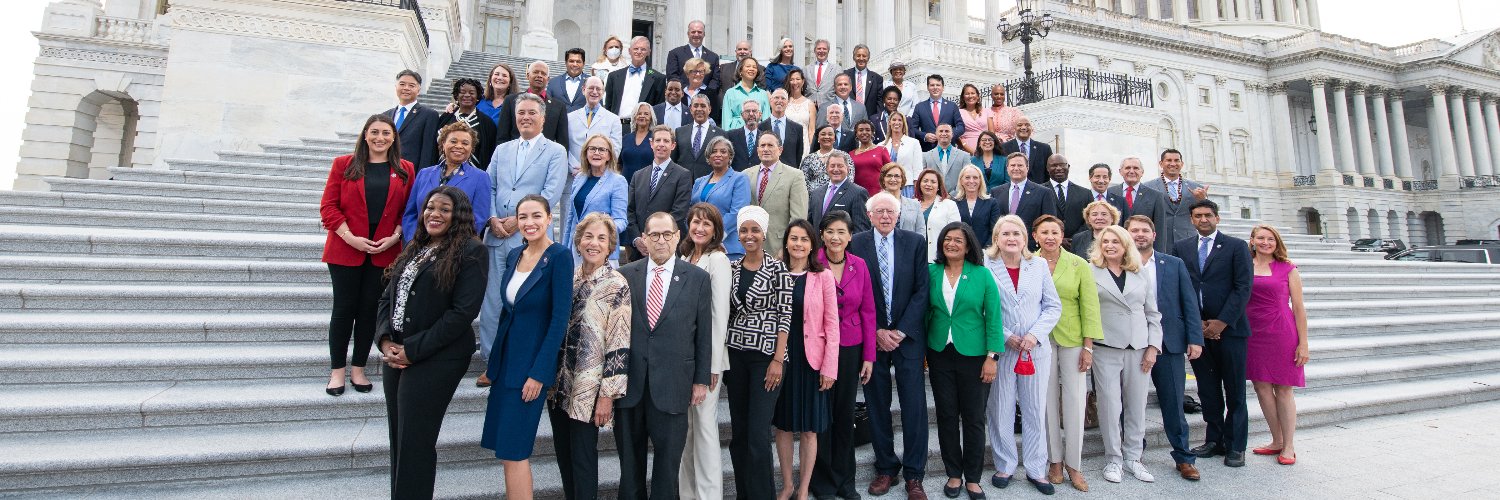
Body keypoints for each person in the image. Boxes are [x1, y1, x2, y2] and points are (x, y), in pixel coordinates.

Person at [376, 186, 488, 499]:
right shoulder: (417, 246)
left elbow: (461, 313)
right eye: (430, 208)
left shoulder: (471, 250)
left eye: (444, 209)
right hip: (396, 354)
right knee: (399, 439)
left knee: (416, 442)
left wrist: (412, 350)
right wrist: (385, 341)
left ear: (458, 215)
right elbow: (388, 296)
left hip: (437, 358)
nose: (434, 214)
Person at [478, 195, 573, 499]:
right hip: (506, 364)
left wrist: (540, 373)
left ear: (549, 219)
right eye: (522, 217)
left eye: (536, 216)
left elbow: (559, 319)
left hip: (530, 368)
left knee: (516, 449)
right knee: (506, 449)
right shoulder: (515, 254)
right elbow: (507, 311)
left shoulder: (559, 256)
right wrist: (494, 365)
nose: (529, 223)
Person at [615, 212, 715, 500]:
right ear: (644, 239)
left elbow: (703, 334)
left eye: (667, 234)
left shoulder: (697, 278)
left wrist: (699, 380)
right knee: (630, 468)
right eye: (654, 235)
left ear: (677, 237)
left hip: (673, 385)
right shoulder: (625, 275)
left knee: (667, 469)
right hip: (630, 387)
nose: (661, 240)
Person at [320, 114, 415, 396]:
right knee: (343, 310)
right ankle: (337, 370)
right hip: (345, 250)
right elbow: (329, 207)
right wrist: (351, 238)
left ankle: (358, 368)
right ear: (365, 135)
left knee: (369, 313)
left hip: (384, 252)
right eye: (374, 132)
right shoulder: (344, 165)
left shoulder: (405, 169)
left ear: (394, 138)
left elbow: (407, 211)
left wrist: (395, 237)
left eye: (386, 133)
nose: (380, 138)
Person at [478, 94, 570, 387]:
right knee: (493, 301)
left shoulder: (555, 151)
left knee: (529, 302)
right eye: (521, 113)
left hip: (531, 239)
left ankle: (523, 362)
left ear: (543, 118)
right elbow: (488, 186)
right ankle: (492, 363)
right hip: (497, 235)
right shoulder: (502, 149)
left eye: (532, 112)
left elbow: (551, 192)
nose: (526, 117)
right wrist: (493, 218)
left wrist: (519, 221)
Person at [848, 192, 932, 499]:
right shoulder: (855, 243)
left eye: (890, 212)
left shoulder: (915, 242)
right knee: (876, 403)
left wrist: (900, 331)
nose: (885, 216)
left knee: (913, 406)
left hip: (907, 338)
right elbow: (853, 291)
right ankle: (885, 468)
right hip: (872, 339)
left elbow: (923, 289)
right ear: (869, 216)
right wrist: (878, 332)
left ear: (898, 216)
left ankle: (914, 474)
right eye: (879, 211)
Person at [548, 213, 631, 500]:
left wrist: (607, 395)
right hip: (559, 384)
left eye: (601, 238)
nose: (593, 243)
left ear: (610, 247)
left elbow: (619, 343)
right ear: (578, 241)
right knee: (564, 457)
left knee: (583, 460)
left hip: (589, 388)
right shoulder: (567, 278)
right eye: (588, 236)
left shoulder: (616, 284)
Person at [983, 214, 1061, 496]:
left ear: (1025, 239)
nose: (1011, 239)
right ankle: (1004, 464)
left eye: (1017, 234)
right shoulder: (986, 265)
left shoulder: (1037, 265)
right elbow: (982, 308)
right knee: (1000, 408)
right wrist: (1006, 336)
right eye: (1005, 234)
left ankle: (1036, 469)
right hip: (1001, 350)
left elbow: (1052, 306)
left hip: (1034, 350)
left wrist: (1033, 335)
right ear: (996, 239)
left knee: (1034, 409)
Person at [1174, 200, 1254, 468]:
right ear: (1191, 219)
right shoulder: (1182, 248)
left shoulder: (1236, 246)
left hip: (1230, 331)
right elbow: (1181, 288)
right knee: (1208, 390)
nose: (1203, 219)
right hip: (1199, 332)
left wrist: (1221, 323)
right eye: (1198, 216)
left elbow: (1243, 287)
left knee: (1234, 390)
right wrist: (1198, 324)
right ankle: (1214, 439)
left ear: (1217, 218)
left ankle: (1236, 445)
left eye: (1208, 215)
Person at [928, 221, 1003, 500]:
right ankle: (953, 474)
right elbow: (926, 312)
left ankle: (973, 477)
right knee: (947, 415)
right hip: (939, 354)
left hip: (974, 355)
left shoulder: (982, 275)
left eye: (958, 240)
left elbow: (994, 318)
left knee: (973, 418)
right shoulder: (931, 272)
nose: (952, 244)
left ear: (969, 245)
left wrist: (992, 356)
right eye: (947, 239)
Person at [1126, 215, 1204, 481]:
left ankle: (1183, 456)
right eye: (1134, 230)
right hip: (1132, 343)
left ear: (1154, 235)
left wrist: (1195, 338)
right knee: (1131, 402)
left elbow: (1189, 302)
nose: (1140, 235)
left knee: (1173, 402)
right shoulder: (1120, 265)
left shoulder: (1173, 264)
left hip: (1169, 343)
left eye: (1144, 230)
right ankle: (1134, 451)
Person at [725, 206, 794, 500]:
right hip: (736, 357)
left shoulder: (778, 268)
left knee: (757, 435)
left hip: (767, 358)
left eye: (754, 230)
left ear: (764, 234)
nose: (749, 235)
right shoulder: (732, 268)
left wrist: (778, 359)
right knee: (739, 435)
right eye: (744, 230)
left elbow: (785, 315)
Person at [1088, 224, 1164, 485]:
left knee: (1136, 405)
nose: (1110, 245)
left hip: (1139, 347)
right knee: (1110, 405)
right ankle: (1114, 458)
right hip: (1105, 347)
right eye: (1105, 241)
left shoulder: (1140, 273)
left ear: (1125, 246)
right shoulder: (1090, 271)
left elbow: (1152, 313)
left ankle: (1134, 457)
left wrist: (1153, 347)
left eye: (1116, 242)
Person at [810, 210, 877, 500]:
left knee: (844, 413)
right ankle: (823, 482)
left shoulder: (859, 265)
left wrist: (869, 355)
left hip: (850, 347)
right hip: (819, 348)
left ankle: (845, 481)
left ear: (850, 236)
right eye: (830, 231)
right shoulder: (813, 263)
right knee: (822, 415)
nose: (835, 237)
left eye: (841, 232)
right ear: (822, 234)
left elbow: (868, 311)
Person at [1031, 215, 1101, 492]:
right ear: (1035, 236)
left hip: (1072, 340)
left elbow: (1090, 306)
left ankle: (1074, 464)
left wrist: (1088, 346)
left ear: (1063, 236)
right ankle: (1054, 461)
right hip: (1040, 341)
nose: (1050, 237)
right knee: (1045, 402)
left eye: (1055, 232)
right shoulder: (1029, 263)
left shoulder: (1079, 264)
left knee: (1074, 401)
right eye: (1044, 232)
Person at [774, 219, 841, 500]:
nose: (798, 244)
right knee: (783, 426)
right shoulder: (776, 273)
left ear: (813, 244)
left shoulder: (823, 276)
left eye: (804, 239)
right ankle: (788, 484)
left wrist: (829, 367)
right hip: (781, 360)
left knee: (810, 430)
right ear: (786, 242)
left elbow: (832, 324)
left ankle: (803, 490)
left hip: (812, 360)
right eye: (794, 238)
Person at [677, 203, 734, 500]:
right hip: (683, 357)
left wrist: (711, 365)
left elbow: (719, 314)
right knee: (685, 431)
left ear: (715, 230)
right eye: (695, 222)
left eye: (706, 224)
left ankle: (710, 495)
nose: (699, 228)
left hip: (707, 360)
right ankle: (688, 493)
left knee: (705, 430)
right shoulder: (686, 256)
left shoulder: (718, 260)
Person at [1245, 224, 1309, 466]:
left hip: (1282, 331)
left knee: (1283, 389)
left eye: (1270, 239)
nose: (1265, 242)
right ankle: (1276, 440)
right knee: (1261, 388)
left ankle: (1289, 445)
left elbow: (1299, 308)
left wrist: (1303, 344)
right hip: (1254, 333)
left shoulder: (1288, 268)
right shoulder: (1244, 266)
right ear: (1251, 240)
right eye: (1260, 238)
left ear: (1276, 242)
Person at [403, 122, 494, 243]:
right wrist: (413, 240)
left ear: (471, 148)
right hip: (418, 244)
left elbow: (478, 219)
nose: (459, 146)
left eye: (465, 143)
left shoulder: (480, 177)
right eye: (453, 141)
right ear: (443, 143)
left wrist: (449, 245)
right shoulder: (424, 173)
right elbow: (411, 213)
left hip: (454, 249)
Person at [625, 125, 694, 261]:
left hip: (667, 248)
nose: (661, 144)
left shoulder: (683, 175)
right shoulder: (638, 175)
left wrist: (654, 238)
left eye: (666, 141)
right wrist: (638, 239)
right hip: (640, 251)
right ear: (651, 144)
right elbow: (630, 211)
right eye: (658, 140)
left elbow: (679, 213)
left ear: (673, 145)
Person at [561, 134, 629, 265]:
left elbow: (621, 221)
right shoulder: (579, 178)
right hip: (577, 249)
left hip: (601, 251)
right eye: (592, 149)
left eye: (602, 150)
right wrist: (564, 248)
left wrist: (600, 230)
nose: (596, 153)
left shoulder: (618, 181)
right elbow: (571, 217)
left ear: (609, 156)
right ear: (586, 153)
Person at [743, 133, 810, 257]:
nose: (766, 149)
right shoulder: (745, 175)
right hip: (749, 246)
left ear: (780, 150)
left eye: (770, 145)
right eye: (762, 146)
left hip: (778, 247)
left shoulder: (795, 175)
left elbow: (798, 216)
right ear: (757, 150)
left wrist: (787, 246)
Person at [693, 136, 753, 259]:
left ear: (730, 156)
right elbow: (691, 211)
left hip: (726, 247)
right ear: (708, 157)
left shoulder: (739, 179)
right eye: (714, 151)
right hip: (699, 245)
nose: (718, 154)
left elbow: (737, 212)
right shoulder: (699, 181)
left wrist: (713, 236)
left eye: (723, 151)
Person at [1142, 149, 1209, 254]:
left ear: (1181, 164)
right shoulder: (1148, 187)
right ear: (1161, 163)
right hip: (1160, 242)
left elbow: (1207, 214)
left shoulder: (1196, 188)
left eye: (1176, 160)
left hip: (1187, 241)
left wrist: (1202, 200)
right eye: (1169, 160)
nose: (1173, 164)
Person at [495, 61, 571, 145]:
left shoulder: (559, 107)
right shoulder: (510, 101)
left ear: (548, 79)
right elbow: (502, 137)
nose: (539, 76)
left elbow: (563, 142)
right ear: (528, 76)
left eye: (543, 74)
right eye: (535, 72)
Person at [991, 152, 1060, 241]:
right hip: (1003, 245)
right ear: (1007, 168)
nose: (1016, 168)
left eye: (1020, 165)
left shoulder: (1044, 193)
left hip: (1030, 247)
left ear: (1027, 168)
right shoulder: (996, 192)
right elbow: (993, 223)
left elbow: (1049, 223)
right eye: (1012, 165)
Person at [1108, 157, 1169, 253]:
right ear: (1120, 171)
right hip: (1115, 249)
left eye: (1136, 168)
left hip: (1143, 250)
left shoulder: (1155, 196)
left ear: (1142, 172)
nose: (1131, 171)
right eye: (1128, 168)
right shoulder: (1109, 193)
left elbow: (1160, 229)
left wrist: (1159, 255)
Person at [436, 78, 498, 169]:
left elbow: (490, 152)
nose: (467, 95)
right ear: (457, 95)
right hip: (443, 170)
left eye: (472, 93)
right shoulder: (446, 117)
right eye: (462, 92)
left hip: (474, 173)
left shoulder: (487, 123)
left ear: (477, 97)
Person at [566, 77, 623, 174]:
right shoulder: (569, 118)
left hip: (600, 173)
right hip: (573, 173)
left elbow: (615, 149)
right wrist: (574, 167)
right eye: (591, 88)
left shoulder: (614, 119)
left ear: (603, 92)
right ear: (584, 90)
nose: (594, 91)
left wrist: (590, 168)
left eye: (598, 89)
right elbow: (565, 146)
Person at [385, 70, 440, 170]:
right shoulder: (385, 116)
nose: (406, 88)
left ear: (418, 90)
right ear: (396, 87)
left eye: (411, 85)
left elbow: (428, 151)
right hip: (384, 170)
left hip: (410, 173)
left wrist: (422, 177)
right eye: (402, 84)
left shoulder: (429, 115)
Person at [605, 36, 667, 124]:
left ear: (649, 52)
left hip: (643, 128)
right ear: (629, 51)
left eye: (643, 49)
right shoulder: (614, 76)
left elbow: (658, 109)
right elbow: (608, 106)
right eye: (636, 48)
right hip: (617, 126)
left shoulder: (658, 78)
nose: (639, 52)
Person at [808, 151, 870, 234]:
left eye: (840, 166)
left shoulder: (858, 193)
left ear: (847, 169)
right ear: (826, 169)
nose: (836, 169)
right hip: (818, 246)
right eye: (832, 166)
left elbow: (861, 229)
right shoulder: (815, 193)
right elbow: (810, 225)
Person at [673, 93, 726, 179]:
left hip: (709, 182)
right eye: (696, 106)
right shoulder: (679, 132)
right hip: (683, 182)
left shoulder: (720, 134)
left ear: (709, 109)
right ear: (690, 109)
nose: (699, 109)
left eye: (703, 106)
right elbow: (673, 160)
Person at [1046, 154, 1093, 246]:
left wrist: (1075, 238)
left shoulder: (1085, 193)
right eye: (1054, 165)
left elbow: (1089, 219)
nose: (1059, 168)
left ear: (1068, 167)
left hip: (1078, 244)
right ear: (1047, 168)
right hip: (1049, 243)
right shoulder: (1039, 191)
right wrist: (1058, 238)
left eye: (1062, 164)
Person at [915, 169, 961, 261]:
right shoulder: (911, 204)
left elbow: (955, 232)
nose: (928, 184)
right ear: (919, 184)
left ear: (938, 186)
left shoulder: (949, 205)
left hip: (938, 258)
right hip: (915, 257)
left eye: (933, 182)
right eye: (925, 181)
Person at [952, 165, 1002, 248]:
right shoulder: (953, 203)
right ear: (961, 181)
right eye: (967, 177)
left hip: (985, 252)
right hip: (959, 251)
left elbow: (995, 231)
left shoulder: (991, 203)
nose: (971, 181)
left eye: (975, 178)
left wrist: (985, 251)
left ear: (980, 181)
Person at [666, 20, 721, 94]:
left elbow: (715, 79)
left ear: (704, 34)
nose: (696, 34)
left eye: (699, 32)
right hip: (682, 97)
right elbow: (672, 76)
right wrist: (688, 91)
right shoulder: (675, 53)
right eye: (693, 32)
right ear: (688, 34)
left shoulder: (713, 57)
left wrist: (706, 92)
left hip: (706, 97)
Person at [911, 74, 963, 151]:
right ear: (928, 88)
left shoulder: (952, 106)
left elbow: (961, 126)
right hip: (927, 149)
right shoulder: (920, 107)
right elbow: (912, 128)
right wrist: (924, 136)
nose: (935, 87)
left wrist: (949, 135)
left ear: (942, 88)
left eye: (938, 85)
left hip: (948, 148)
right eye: (932, 85)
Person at [721, 56, 771, 131]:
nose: (751, 69)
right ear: (740, 70)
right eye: (748, 66)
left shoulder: (762, 93)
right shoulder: (730, 93)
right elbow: (726, 120)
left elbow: (766, 120)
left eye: (754, 67)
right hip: (736, 133)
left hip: (757, 135)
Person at [997, 118, 1051, 185]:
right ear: (1014, 129)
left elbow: (1049, 174)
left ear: (1032, 128)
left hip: (1038, 192)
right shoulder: (1003, 148)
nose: (1023, 127)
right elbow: (1000, 173)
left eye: (1027, 125)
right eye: (1020, 125)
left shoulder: (1044, 149)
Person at [923, 124, 972, 197]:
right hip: (933, 198)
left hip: (957, 198)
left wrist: (952, 195)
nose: (944, 133)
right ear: (936, 134)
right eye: (941, 131)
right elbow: (923, 179)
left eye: (947, 131)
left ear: (952, 135)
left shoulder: (964, 156)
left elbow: (967, 178)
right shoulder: (925, 156)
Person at [882, 112, 923, 196]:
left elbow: (918, 168)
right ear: (889, 123)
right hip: (888, 187)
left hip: (908, 187)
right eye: (894, 120)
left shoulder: (913, 143)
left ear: (904, 123)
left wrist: (917, 188)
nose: (897, 122)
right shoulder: (881, 145)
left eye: (900, 120)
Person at [879, 163, 926, 235]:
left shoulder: (915, 205)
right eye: (889, 176)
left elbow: (921, 232)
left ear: (902, 181)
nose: (893, 179)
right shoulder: (875, 204)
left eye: (897, 176)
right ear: (883, 180)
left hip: (910, 245)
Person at [764, 88, 806, 164]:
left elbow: (798, 154)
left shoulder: (797, 128)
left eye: (783, 98)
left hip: (789, 173)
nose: (779, 101)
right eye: (776, 97)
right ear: (770, 101)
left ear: (787, 103)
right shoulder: (760, 127)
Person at [850, 120, 892, 195]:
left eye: (867, 130)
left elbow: (890, 171)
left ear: (872, 133)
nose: (864, 132)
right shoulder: (851, 154)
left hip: (878, 193)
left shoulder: (881, 150)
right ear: (856, 134)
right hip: (857, 194)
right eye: (860, 130)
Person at [843, 44, 885, 117]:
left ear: (868, 58)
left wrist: (877, 120)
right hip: (848, 118)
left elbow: (879, 103)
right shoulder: (845, 75)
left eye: (864, 56)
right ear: (854, 57)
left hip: (869, 120)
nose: (861, 58)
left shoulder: (877, 78)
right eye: (858, 55)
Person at [783, 68, 819, 154]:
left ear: (803, 81)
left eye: (798, 79)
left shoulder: (810, 104)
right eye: (792, 79)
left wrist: (811, 149)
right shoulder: (784, 102)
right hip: (786, 144)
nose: (795, 82)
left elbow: (811, 130)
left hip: (804, 144)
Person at [621, 102, 659, 181]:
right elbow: (618, 164)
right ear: (634, 116)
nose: (642, 116)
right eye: (639, 113)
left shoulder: (656, 139)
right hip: (625, 184)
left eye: (646, 114)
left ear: (651, 117)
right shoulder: (625, 138)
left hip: (646, 184)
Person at [726, 100, 767, 171]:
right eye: (747, 111)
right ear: (742, 115)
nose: (751, 114)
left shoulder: (766, 137)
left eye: (754, 111)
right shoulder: (730, 135)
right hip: (736, 179)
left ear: (760, 114)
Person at [546, 48, 590, 112]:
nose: (575, 64)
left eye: (578, 61)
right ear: (566, 63)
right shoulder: (553, 83)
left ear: (583, 64)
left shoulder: (591, 82)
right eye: (571, 61)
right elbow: (547, 106)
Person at [803, 39, 843, 106]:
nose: (821, 51)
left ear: (828, 51)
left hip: (829, 107)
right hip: (809, 107)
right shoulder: (806, 69)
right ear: (814, 51)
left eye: (824, 49)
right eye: (819, 48)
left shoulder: (837, 69)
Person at [680, 57, 721, 122]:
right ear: (687, 74)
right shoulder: (681, 93)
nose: (698, 74)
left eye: (701, 71)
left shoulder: (711, 93)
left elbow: (715, 116)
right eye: (694, 71)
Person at [800, 125, 839, 192]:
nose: (827, 137)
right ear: (818, 138)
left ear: (834, 138)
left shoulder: (843, 157)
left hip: (837, 196)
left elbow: (849, 178)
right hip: (813, 198)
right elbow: (803, 181)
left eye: (830, 134)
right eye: (823, 134)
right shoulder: (808, 159)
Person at [955, 84, 986, 153]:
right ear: (963, 97)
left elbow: (991, 132)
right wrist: (970, 150)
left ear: (978, 96)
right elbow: (956, 134)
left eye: (973, 93)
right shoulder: (958, 113)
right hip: (965, 150)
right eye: (967, 94)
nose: (970, 96)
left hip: (985, 148)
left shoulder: (986, 111)